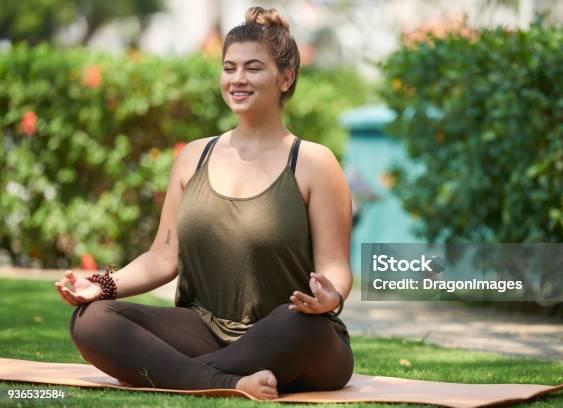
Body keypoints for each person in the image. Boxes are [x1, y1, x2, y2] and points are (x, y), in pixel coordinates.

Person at [54, 6, 354, 400]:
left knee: (296, 325)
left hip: (290, 337)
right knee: (92, 321)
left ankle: (185, 376)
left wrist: (331, 296)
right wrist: (103, 285)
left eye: (253, 68)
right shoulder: (194, 157)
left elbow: (335, 266)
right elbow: (163, 257)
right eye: (229, 68)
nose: (238, 79)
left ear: (286, 77)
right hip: (202, 333)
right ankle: (228, 383)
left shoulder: (314, 162)